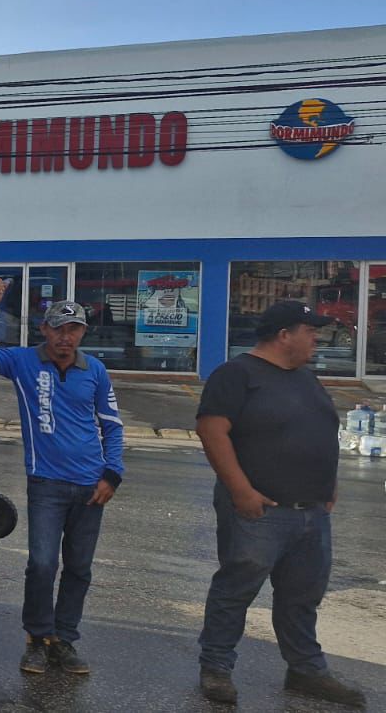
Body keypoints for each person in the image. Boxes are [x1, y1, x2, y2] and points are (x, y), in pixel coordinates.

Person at [194, 300, 366, 707]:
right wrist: (241, 492)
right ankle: (216, 669)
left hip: (311, 512)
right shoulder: (236, 375)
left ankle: (306, 671)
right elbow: (211, 430)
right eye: (310, 331)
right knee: (236, 591)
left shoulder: (306, 379)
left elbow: (319, 431)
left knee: (302, 597)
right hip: (260, 512)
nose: (317, 339)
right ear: (284, 335)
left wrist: (330, 484)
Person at [0, 278, 123, 675]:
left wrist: (112, 474)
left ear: (83, 332)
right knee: (42, 564)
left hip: (91, 486)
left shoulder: (95, 370)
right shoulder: (23, 362)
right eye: (59, 329)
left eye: (75, 329)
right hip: (46, 484)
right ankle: (36, 638)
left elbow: (113, 426)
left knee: (80, 568)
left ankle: (64, 641)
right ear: (44, 329)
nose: (66, 337)